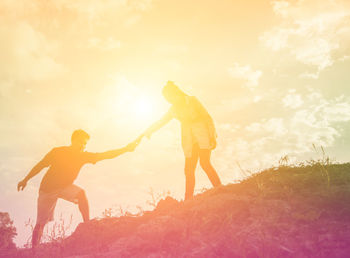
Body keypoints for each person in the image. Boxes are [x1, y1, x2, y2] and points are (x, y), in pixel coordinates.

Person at [17, 129, 141, 248]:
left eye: (85, 143)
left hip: (64, 187)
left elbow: (105, 155)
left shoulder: (83, 156)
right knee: (41, 222)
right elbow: (40, 165)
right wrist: (25, 179)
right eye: (80, 142)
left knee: (81, 194)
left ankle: (87, 225)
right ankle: (34, 249)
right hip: (47, 189)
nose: (83, 145)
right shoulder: (57, 152)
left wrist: (125, 149)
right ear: (73, 140)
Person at [142, 81, 222, 200]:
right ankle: (188, 199)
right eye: (166, 99)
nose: (169, 100)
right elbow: (161, 121)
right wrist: (149, 130)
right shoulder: (173, 110)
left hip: (202, 134)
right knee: (188, 169)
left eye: (169, 97)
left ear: (175, 93)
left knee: (205, 163)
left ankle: (220, 189)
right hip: (188, 139)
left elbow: (207, 117)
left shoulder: (192, 100)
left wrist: (212, 136)